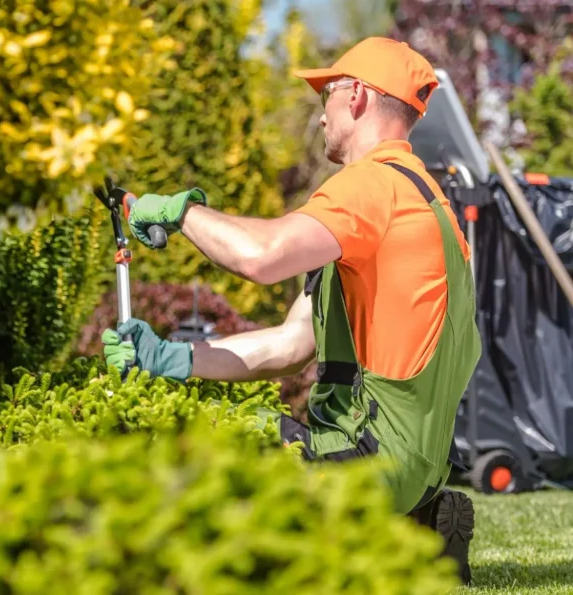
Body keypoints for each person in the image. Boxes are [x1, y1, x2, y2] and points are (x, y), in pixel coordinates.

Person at [101, 37, 479, 581]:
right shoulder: (429, 202)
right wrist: (167, 355)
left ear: (356, 97)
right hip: (416, 466)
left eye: (325, 93)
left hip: (366, 458)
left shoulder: (372, 187)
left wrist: (180, 213)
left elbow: (261, 256)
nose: (320, 114)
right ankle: (416, 526)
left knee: (211, 438)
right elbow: (290, 346)